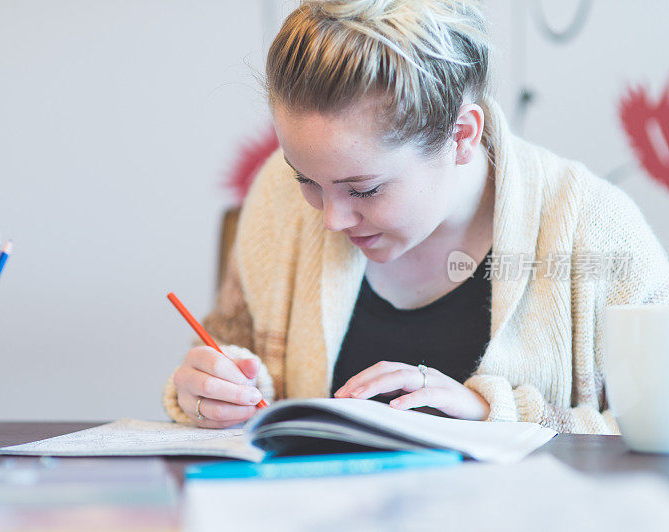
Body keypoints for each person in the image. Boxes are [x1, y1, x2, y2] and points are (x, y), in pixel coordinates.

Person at [163, 0, 669, 433]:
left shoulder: (596, 233)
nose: (331, 220)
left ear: (462, 136)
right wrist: (212, 391)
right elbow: (228, 353)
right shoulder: (275, 195)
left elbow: (653, 435)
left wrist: (493, 414)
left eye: (365, 188)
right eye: (306, 181)